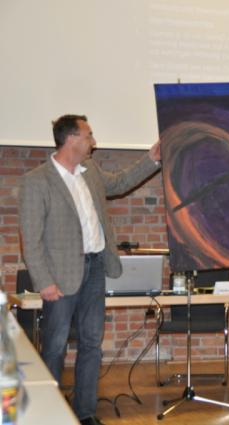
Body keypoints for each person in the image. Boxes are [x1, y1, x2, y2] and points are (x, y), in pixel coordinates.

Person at [19, 115, 161, 425]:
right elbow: (30, 239)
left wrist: (152, 158)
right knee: (55, 346)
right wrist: (44, 281)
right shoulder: (37, 180)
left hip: (95, 266)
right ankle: (48, 415)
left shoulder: (91, 171)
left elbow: (120, 182)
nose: (93, 142)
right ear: (71, 139)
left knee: (91, 343)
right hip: (60, 276)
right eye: (88, 136)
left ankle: (85, 412)